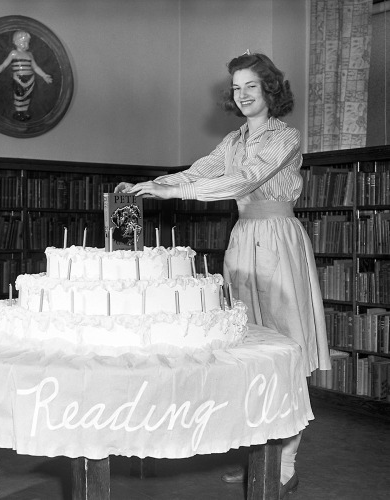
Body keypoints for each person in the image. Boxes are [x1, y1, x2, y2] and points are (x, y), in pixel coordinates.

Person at [115, 52, 331, 498]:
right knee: (248, 345)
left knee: (285, 345)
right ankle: (259, 452)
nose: (243, 94)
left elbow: (243, 182)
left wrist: (177, 191)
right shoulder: (233, 140)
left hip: (278, 242)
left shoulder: (285, 136)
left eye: (251, 85)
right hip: (243, 238)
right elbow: (203, 171)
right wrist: (154, 184)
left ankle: (286, 459)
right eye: (236, 87)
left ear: (270, 89)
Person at [0, 30, 53, 121]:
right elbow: (4, 65)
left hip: (30, 79)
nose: (26, 44)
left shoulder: (30, 54)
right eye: (24, 42)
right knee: (19, 95)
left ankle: (24, 112)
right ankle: (18, 112)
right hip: (18, 79)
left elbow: (36, 67)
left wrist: (44, 75)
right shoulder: (14, 53)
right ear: (16, 42)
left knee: (27, 96)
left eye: (27, 42)